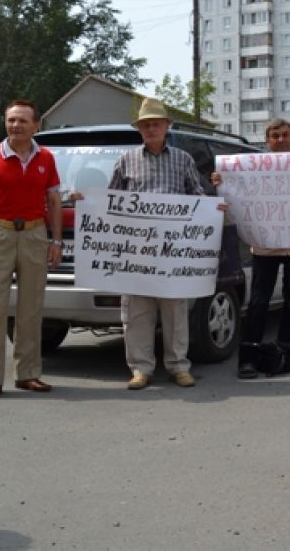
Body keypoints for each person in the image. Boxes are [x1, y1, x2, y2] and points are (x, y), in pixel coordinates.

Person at [107, 98, 206, 390]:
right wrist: (86, 202)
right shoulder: (125, 160)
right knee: (137, 313)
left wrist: (213, 210)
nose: (151, 128)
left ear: (167, 127)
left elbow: (197, 195)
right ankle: (140, 369)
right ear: (139, 129)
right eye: (145, 124)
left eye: (156, 123)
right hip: (137, 251)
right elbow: (111, 201)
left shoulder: (183, 159)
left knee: (175, 311)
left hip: (173, 252)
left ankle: (178, 366)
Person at [0, 100, 63, 402]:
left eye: (22, 121)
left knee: (31, 309)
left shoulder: (46, 158)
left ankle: (28, 374)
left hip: (35, 233)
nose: (15, 126)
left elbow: (53, 202)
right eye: (11, 120)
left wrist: (56, 241)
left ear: (35, 125)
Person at [228, 119, 290, 379]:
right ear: (267, 139)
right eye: (274, 135)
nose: (279, 140)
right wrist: (222, 179)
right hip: (265, 245)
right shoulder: (253, 168)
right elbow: (236, 190)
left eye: (284, 135)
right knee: (258, 302)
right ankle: (249, 358)